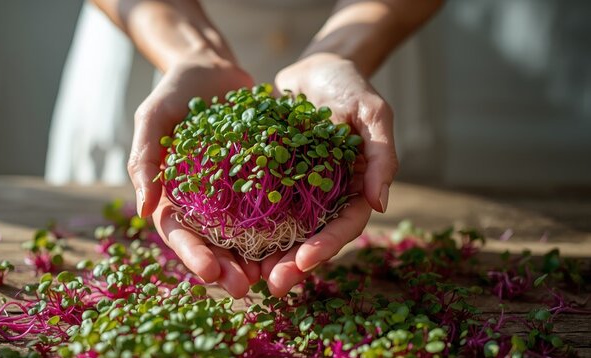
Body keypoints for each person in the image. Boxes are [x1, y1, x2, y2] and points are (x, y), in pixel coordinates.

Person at [90, 0, 443, 298]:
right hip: (156, 33)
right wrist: (189, 53)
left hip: (369, 30)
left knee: (371, 172)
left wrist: (343, 51)